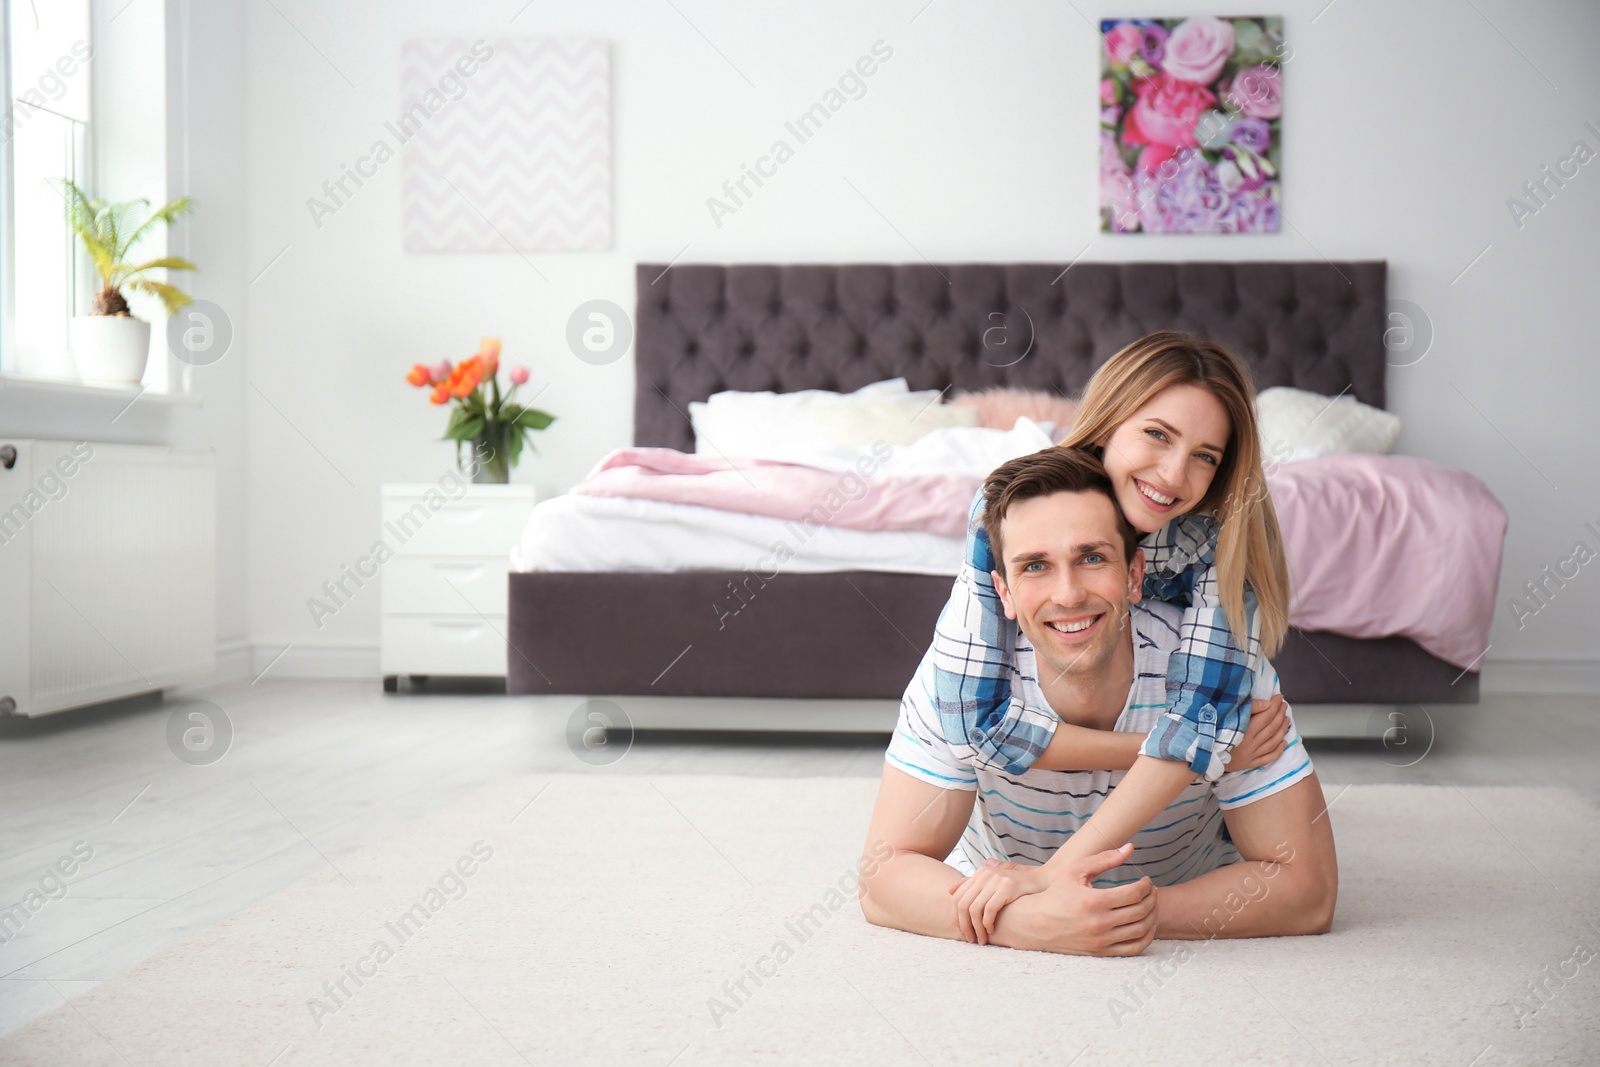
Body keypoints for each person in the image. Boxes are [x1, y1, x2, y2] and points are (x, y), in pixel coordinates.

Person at [858, 447, 1337, 952]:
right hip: (1005, 886)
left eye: (1091, 558)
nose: (1067, 594)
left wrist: (1119, 912)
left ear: (1134, 574)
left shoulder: (1218, 669)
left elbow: (1308, 892)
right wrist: (1032, 920)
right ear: (1003, 591)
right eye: (1036, 566)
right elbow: (881, 879)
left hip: (1181, 877)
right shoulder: (956, 678)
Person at [929, 331, 1294, 936]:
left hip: (1171, 782)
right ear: (1105, 426)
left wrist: (1053, 876)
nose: (1174, 475)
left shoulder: (1216, 538)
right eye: (1157, 434)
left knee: (1245, 712)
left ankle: (1218, 826)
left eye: (1206, 455)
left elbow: (1204, 718)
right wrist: (1182, 748)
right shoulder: (1018, 502)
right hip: (1107, 738)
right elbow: (973, 720)